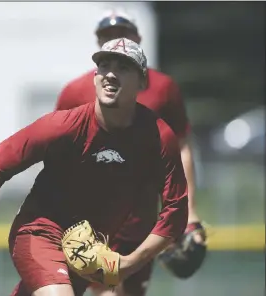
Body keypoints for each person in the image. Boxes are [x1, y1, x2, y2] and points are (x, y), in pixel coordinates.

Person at [0, 38, 188, 296]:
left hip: (85, 249)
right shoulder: (63, 126)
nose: (110, 74)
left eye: (123, 68)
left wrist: (131, 263)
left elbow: (176, 209)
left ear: (142, 81)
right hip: (39, 232)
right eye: (104, 66)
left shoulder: (157, 136)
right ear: (95, 77)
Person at [55, 10, 205, 296]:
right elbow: (57, 156)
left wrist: (189, 211)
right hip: (91, 213)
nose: (115, 40)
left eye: (122, 34)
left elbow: (181, 148)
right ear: (98, 42)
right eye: (107, 36)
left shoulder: (162, 88)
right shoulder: (75, 91)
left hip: (142, 215)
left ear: (138, 38)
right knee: (105, 290)